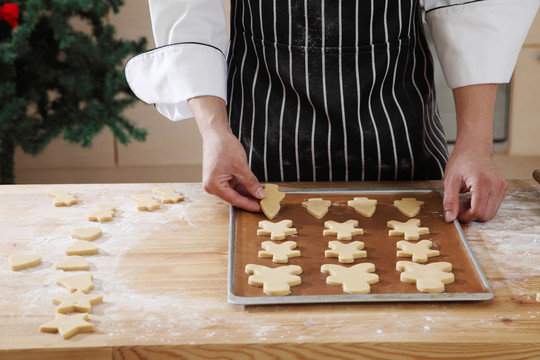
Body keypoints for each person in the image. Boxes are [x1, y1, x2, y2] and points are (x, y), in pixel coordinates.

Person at [125, 0, 539, 223]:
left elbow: (478, 5)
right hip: (266, 127)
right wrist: (215, 132)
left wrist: (474, 143)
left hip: (395, 119)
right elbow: (188, 9)